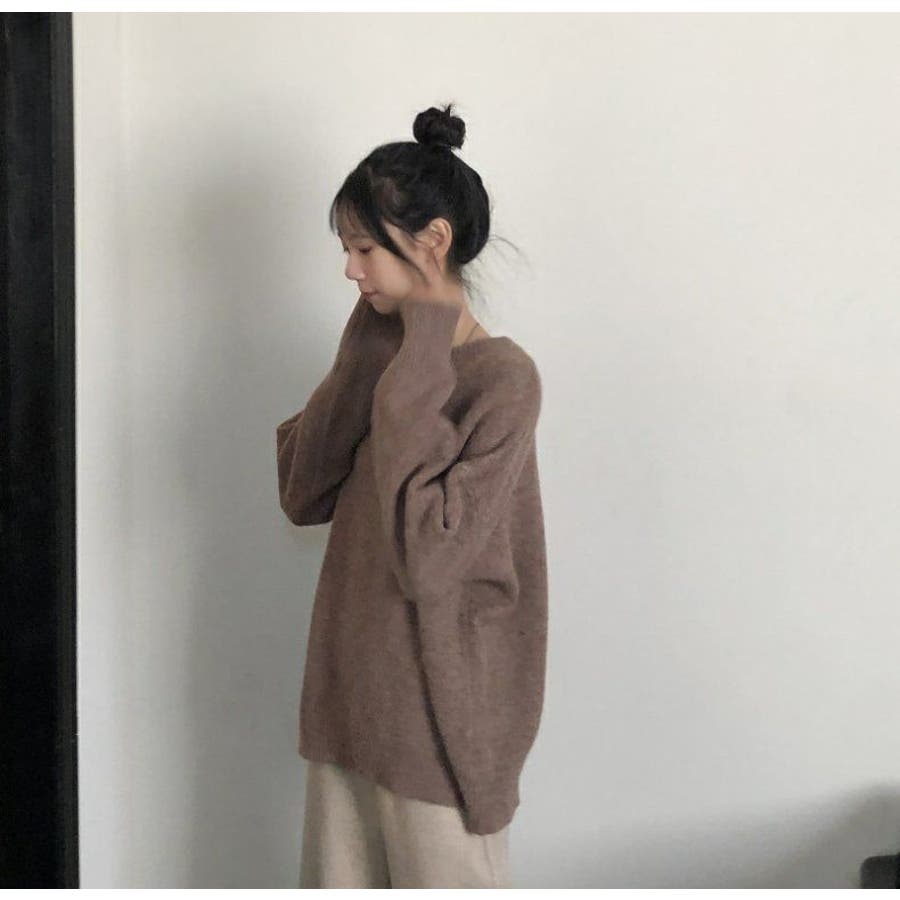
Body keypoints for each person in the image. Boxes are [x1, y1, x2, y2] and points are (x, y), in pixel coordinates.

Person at [275, 102, 548, 888]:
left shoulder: (502, 381)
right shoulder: (381, 356)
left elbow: (429, 559)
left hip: (441, 735)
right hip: (345, 714)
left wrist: (425, 340)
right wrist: (369, 349)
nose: (349, 270)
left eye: (363, 248)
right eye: (346, 248)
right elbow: (302, 490)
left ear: (432, 242)